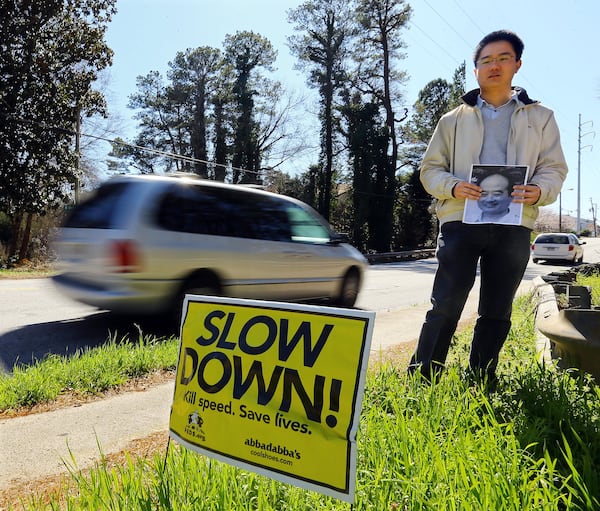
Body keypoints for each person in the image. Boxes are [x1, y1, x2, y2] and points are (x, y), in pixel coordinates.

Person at [408, 29, 568, 383]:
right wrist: (453, 186)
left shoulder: (540, 117)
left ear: (517, 65)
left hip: (514, 225)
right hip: (459, 221)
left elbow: (554, 169)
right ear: (475, 68)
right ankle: (422, 377)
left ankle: (480, 379)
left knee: (497, 308)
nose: (494, 66)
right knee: (446, 303)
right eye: (486, 60)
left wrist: (539, 191)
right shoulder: (453, 119)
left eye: (502, 58)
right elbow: (430, 169)